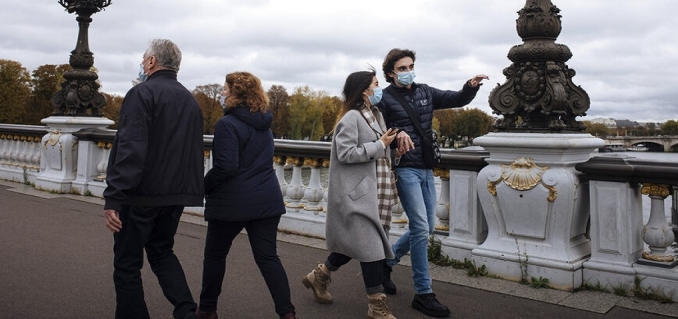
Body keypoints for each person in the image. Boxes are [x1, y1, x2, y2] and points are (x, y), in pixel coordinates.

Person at [377, 48, 488, 318]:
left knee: (425, 229)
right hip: (404, 169)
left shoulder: (426, 91)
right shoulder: (384, 98)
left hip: (426, 167)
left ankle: (387, 263)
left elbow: (457, 99)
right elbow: (375, 129)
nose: (408, 72)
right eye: (402, 68)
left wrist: (470, 87)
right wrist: (395, 132)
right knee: (419, 227)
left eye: (411, 66)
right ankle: (423, 293)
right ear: (391, 73)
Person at [103, 39, 204, 319]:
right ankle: (187, 312)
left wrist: (114, 196)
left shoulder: (142, 94)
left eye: (143, 59)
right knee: (162, 252)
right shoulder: (190, 101)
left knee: (127, 265)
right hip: (174, 195)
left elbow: (131, 149)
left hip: (140, 195)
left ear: (151, 62)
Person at [301, 70, 402, 319]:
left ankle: (320, 276)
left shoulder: (376, 115)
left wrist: (393, 150)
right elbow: (346, 154)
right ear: (364, 90)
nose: (380, 89)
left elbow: (378, 153)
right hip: (356, 196)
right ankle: (376, 304)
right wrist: (381, 146)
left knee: (357, 244)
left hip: (373, 191)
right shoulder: (351, 118)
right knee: (372, 249)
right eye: (376, 85)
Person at [197, 72, 297, 319]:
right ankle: (288, 314)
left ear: (235, 93)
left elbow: (226, 167)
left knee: (215, 256)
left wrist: (202, 186)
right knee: (268, 259)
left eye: (225, 89)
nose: (222, 93)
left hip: (232, 203)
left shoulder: (226, 124)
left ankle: (208, 310)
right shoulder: (264, 123)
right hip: (266, 200)